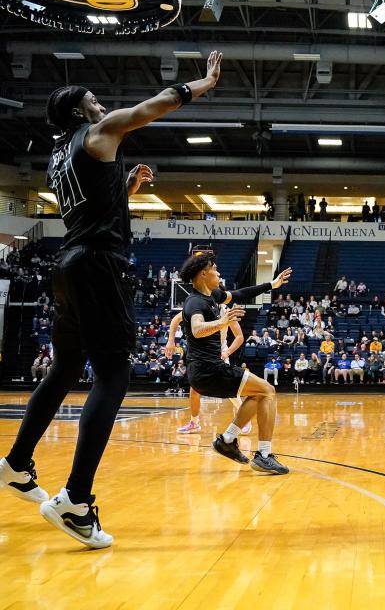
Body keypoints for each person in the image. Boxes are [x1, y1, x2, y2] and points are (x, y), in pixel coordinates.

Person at [0, 53, 222, 549]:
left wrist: (127, 185)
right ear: (80, 112)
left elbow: (92, 202)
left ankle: (16, 464)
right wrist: (204, 83)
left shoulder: (60, 154)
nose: (101, 105)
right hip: (99, 265)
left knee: (63, 370)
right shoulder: (98, 134)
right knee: (113, 377)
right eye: (93, 101)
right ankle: (76, 501)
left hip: (68, 263)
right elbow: (157, 104)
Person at [178, 252, 291, 475]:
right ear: (203, 274)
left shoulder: (213, 296)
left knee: (259, 393)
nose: (219, 273)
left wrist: (272, 284)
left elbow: (240, 293)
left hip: (208, 370)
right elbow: (197, 329)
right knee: (268, 391)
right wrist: (223, 321)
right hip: (208, 370)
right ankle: (264, 455)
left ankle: (228, 440)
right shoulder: (195, 302)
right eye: (215, 269)